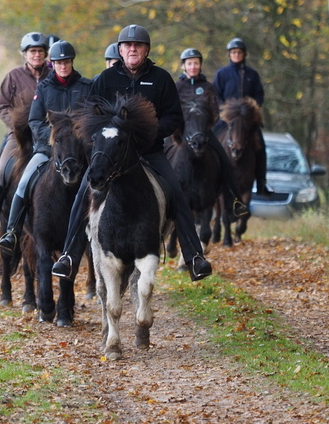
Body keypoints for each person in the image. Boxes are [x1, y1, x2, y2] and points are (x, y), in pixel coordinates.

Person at [51, 24, 212, 282]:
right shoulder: (104, 80)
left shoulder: (161, 79)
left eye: (138, 45)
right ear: (120, 50)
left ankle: (194, 256)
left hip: (149, 151)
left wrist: (151, 131)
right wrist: (108, 137)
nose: (132, 49)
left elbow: (174, 116)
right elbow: (90, 117)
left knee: (175, 191)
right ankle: (68, 256)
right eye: (127, 45)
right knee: (83, 192)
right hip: (111, 155)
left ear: (146, 50)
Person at [0, 40, 92, 254]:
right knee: (23, 183)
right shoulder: (44, 88)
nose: (63, 66)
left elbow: (93, 119)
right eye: (59, 63)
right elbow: (34, 121)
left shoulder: (86, 88)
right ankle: (11, 231)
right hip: (48, 151)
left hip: (79, 152)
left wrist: (80, 137)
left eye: (67, 62)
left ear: (72, 62)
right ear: (53, 64)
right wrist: (52, 138)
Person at [0, 32, 51, 244]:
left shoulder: (52, 75)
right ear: (24, 54)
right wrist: (17, 125)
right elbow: (2, 107)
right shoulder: (13, 76)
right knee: (2, 171)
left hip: (47, 136)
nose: (36, 55)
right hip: (18, 137)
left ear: (45, 54)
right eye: (32, 51)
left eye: (40, 51)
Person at [176, 48, 249, 218]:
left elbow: (216, 112)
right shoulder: (177, 87)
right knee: (162, 154)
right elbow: (171, 110)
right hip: (180, 133)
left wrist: (204, 128)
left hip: (203, 133)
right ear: (184, 66)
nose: (193, 66)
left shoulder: (208, 87)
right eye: (189, 63)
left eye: (196, 63)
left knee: (224, 160)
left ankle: (235, 202)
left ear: (200, 65)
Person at [213, 37, 271, 196]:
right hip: (227, 120)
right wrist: (224, 110)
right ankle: (210, 180)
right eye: (233, 52)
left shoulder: (253, 74)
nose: (236, 55)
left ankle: (261, 183)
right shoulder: (222, 74)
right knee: (210, 141)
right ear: (229, 54)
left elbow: (259, 95)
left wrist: (253, 108)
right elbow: (216, 95)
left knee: (261, 147)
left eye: (239, 52)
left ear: (244, 54)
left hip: (247, 121)